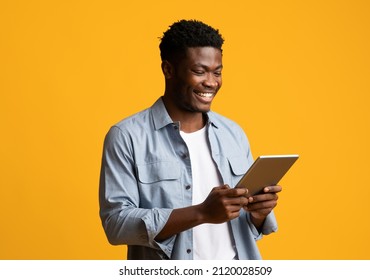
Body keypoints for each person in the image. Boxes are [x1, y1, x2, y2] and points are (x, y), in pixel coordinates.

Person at [99, 19, 281, 260]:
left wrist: (258, 213)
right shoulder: (127, 136)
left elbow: (245, 224)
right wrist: (201, 213)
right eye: (199, 71)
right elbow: (116, 224)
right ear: (168, 69)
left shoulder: (233, 133)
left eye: (217, 72)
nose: (211, 82)